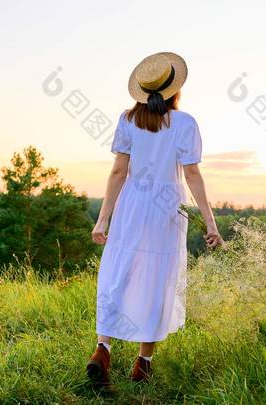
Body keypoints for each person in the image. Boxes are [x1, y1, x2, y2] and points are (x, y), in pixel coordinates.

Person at [87, 52, 223, 386]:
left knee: (119, 271)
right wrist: (210, 222)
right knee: (158, 278)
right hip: (166, 207)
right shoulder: (185, 123)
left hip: (132, 203)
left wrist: (103, 219)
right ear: (174, 89)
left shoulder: (127, 120)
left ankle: (102, 349)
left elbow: (119, 171)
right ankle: (142, 362)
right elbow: (192, 175)